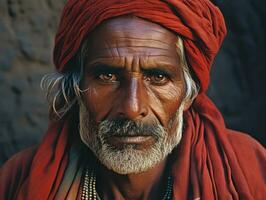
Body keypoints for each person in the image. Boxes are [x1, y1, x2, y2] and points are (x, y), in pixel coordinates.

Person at [0, 0, 265, 199]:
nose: (132, 107)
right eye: (107, 76)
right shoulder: (19, 180)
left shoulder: (250, 170)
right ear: (75, 89)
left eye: (158, 77)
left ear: (188, 93)